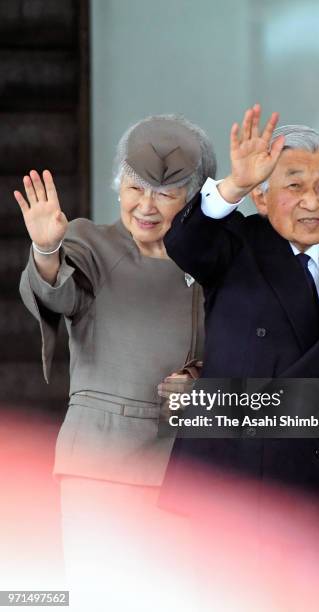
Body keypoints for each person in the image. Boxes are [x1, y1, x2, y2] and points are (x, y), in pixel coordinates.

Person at [161, 105, 319, 564]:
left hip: (317, 486)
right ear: (263, 198)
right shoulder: (235, 243)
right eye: (294, 185)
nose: (312, 201)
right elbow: (184, 244)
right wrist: (234, 185)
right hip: (227, 484)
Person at [15, 114, 216, 607]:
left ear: (194, 199)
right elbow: (58, 295)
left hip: (184, 471)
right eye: (134, 187)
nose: (145, 206)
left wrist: (201, 382)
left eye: (165, 194)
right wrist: (46, 249)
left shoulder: (214, 264)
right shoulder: (90, 242)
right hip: (101, 465)